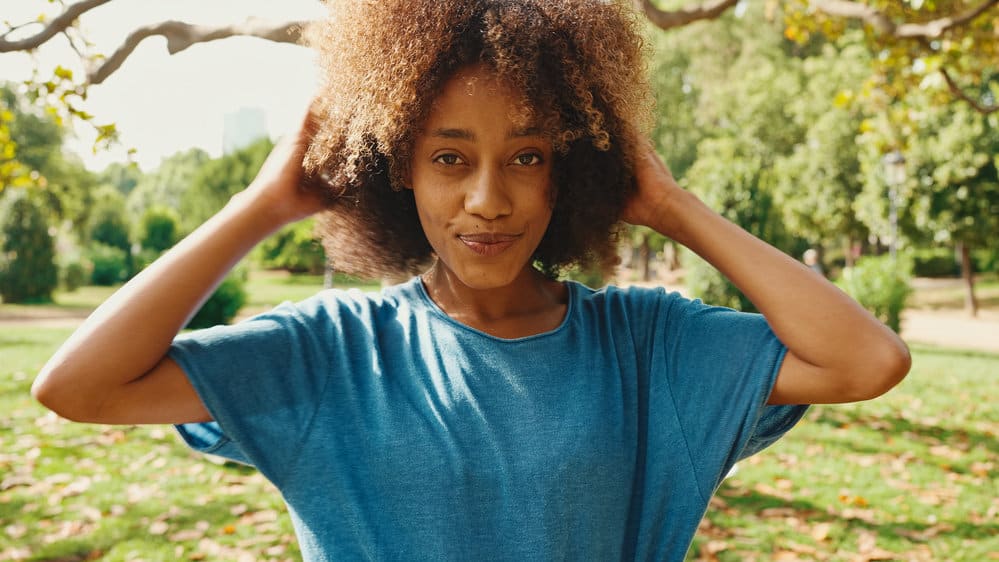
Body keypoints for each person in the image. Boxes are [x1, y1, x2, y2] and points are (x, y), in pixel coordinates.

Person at [31, 1, 911, 559]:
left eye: (526, 156)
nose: (487, 199)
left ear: (568, 170)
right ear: (396, 169)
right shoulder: (329, 354)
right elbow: (78, 386)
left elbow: (864, 361)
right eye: (449, 157)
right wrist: (263, 205)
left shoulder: (647, 347)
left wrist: (670, 205)